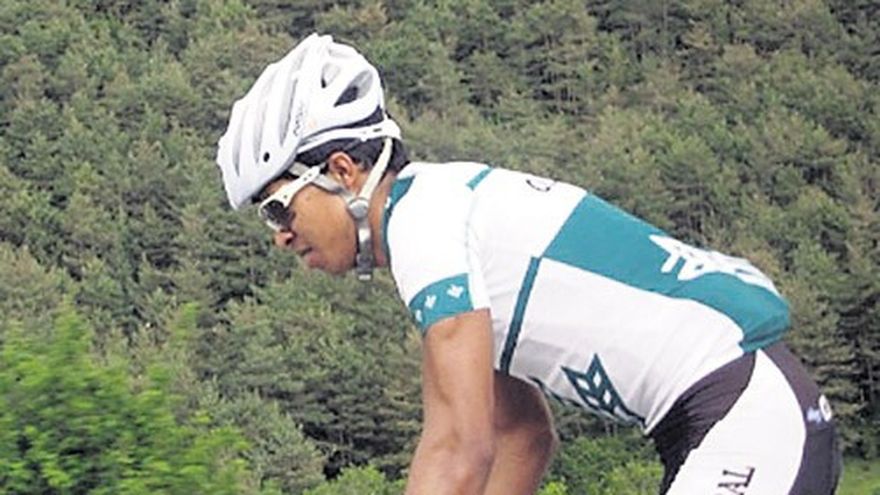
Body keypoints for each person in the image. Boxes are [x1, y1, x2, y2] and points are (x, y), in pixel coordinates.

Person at [215, 33, 842, 495]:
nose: (280, 237)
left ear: (343, 172)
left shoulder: (424, 226)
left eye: (278, 210)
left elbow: (458, 450)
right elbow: (519, 435)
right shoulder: (436, 217)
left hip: (741, 415)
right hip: (740, 415)